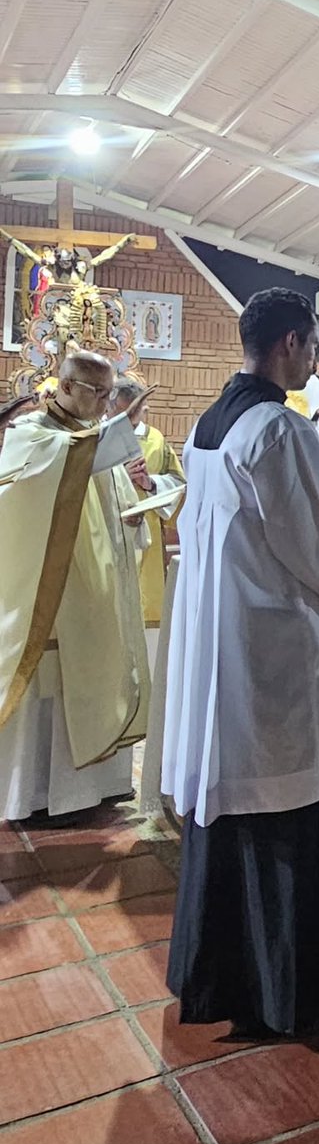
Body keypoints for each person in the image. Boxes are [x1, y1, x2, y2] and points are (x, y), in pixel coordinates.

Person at [161, 287, 319, 1038]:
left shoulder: (207, 423)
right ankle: (292, 983)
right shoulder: (279, 429)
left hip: (223, 640)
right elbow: (317, 544)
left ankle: (220, 971)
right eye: (313, 347)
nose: (314, 360)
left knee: (237, 803)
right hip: (271, 647)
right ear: (291, 344)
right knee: (286, 798)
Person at [0, 353, 153, 824]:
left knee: (98, 675)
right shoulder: (30, 434)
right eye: (98, 393)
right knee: (51, 687)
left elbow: (115, 499)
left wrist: (141, 492)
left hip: (97, 588)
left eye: (110, 394)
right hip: (54, 591)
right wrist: (113, 439)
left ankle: (100, 786)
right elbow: (39, 484)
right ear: (65, 386)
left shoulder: (96, 439)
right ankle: (35, 795)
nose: (106, 404)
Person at [106, 378, 186, 625]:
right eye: (120, 413)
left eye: (133, 412)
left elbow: (178, 483)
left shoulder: (156, 440)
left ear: (144, 409)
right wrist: (120, 476)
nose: (127, 419)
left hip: (147, 534)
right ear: (109, 408)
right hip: (107, 529)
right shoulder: (100, 437)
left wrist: (149, 483)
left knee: (144, 612)